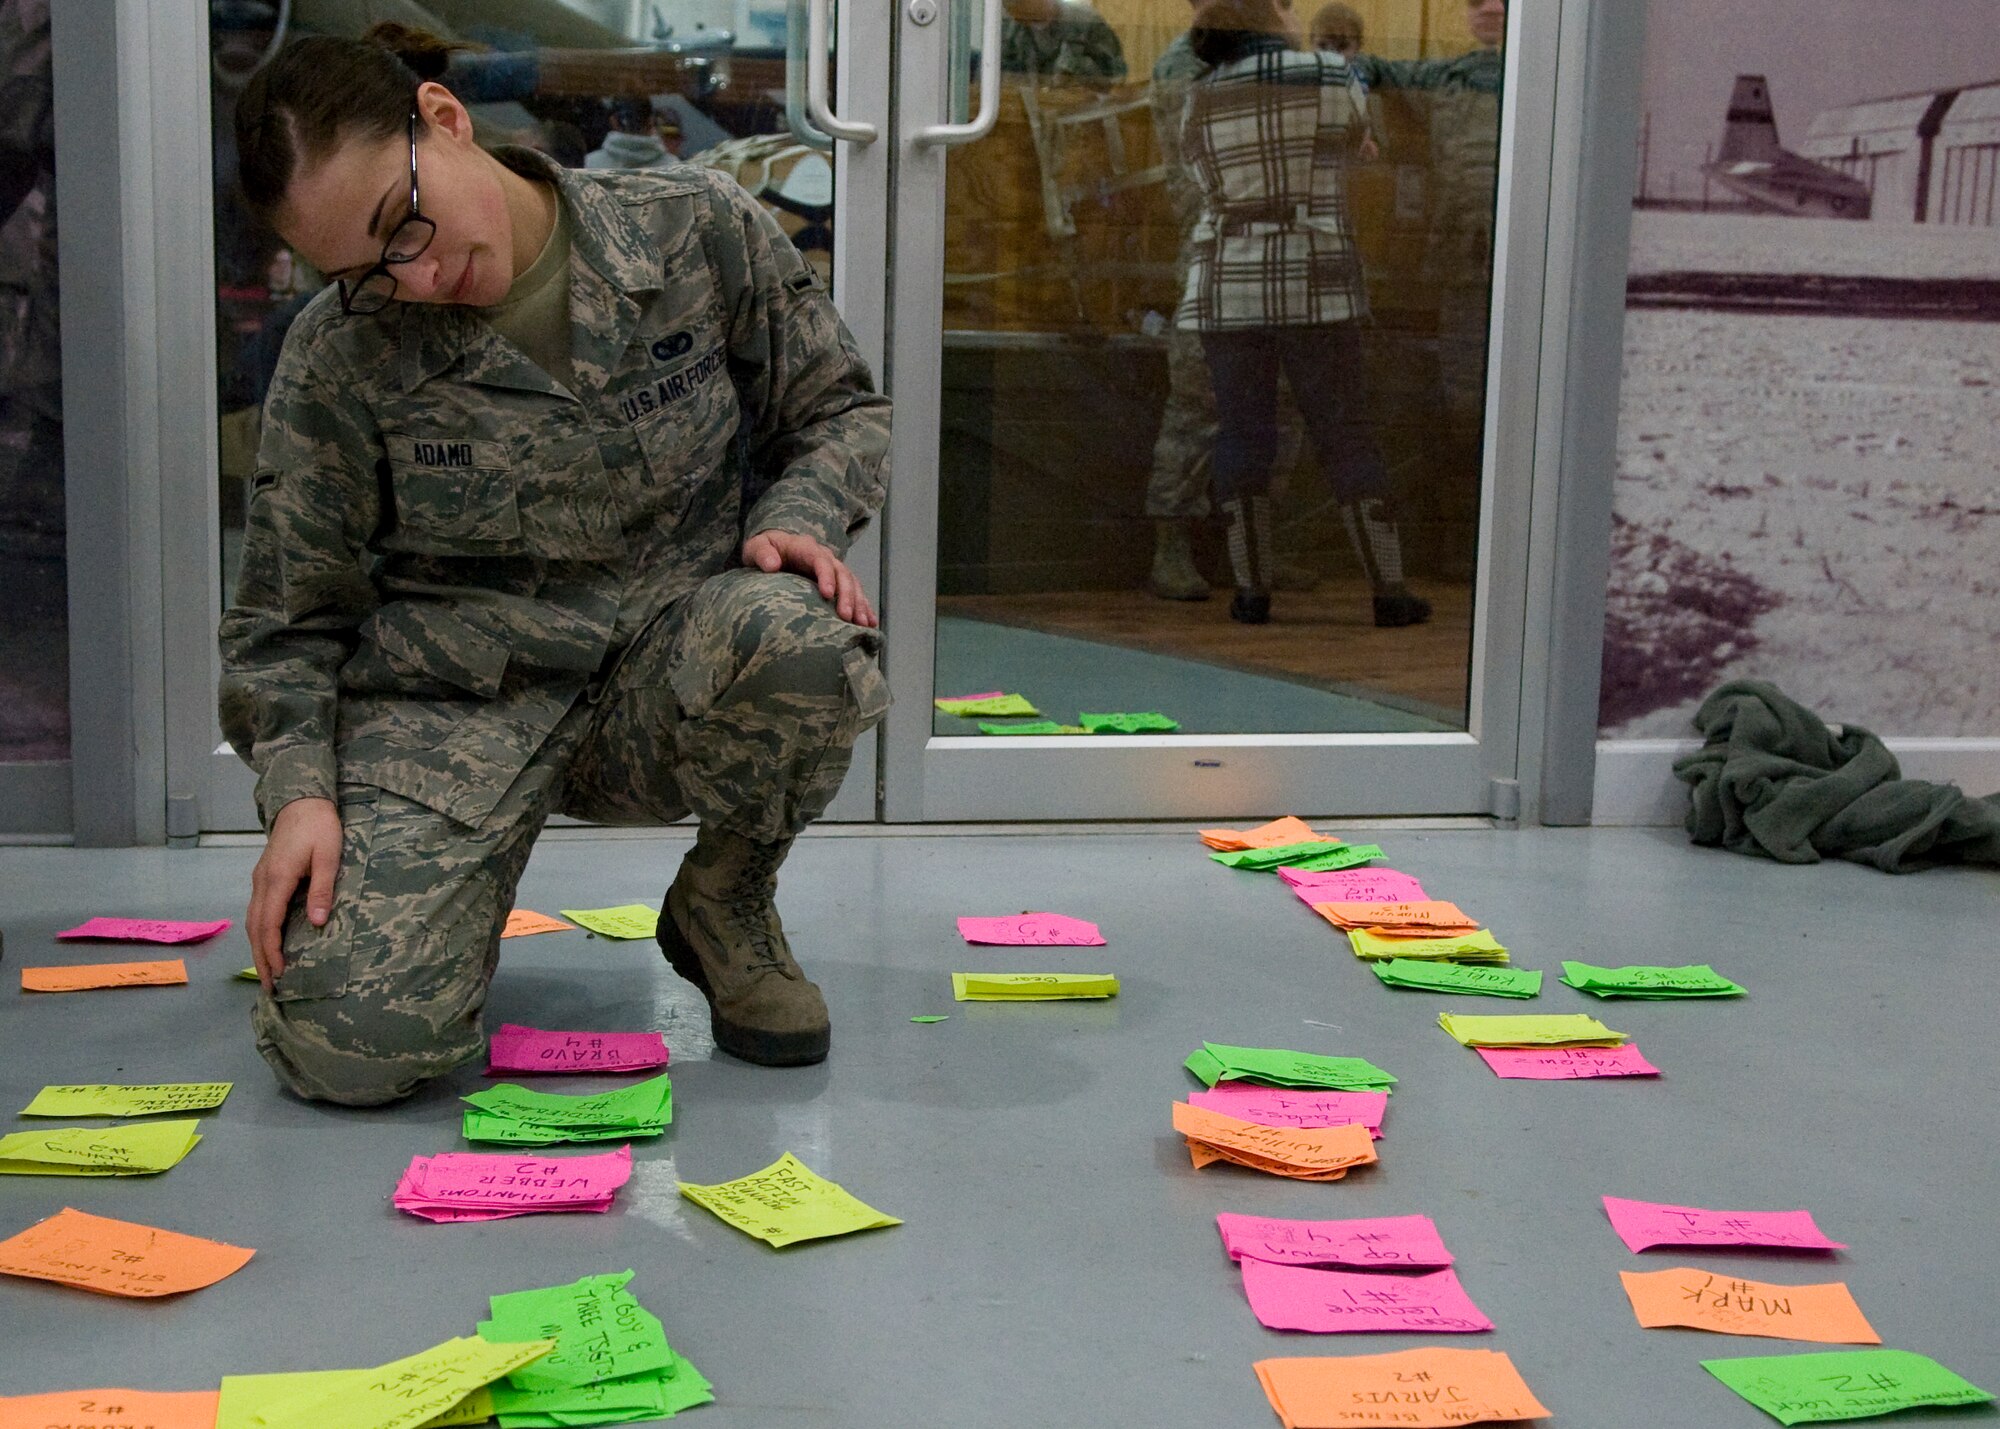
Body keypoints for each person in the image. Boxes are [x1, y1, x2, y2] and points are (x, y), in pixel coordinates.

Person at [218, 24, 891, 1106]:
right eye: (368, 270)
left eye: (406, 222)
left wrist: (801, 513)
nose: (420, 274)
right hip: (452, 713)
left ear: (444, 119)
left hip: (667, 674)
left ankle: (724, 901)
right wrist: (299, 791)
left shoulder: (689, 230)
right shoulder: (339, 350)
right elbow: (285, 620)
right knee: (352, 1047)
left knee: (803, 642)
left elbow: (836, 411)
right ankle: (433, 917)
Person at [1177, 0, 1428, 627]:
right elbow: (1355, 139)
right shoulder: (1328, 72)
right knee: (1344, 428)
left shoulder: (1199, 91)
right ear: (1272, 16)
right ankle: (1389, 592)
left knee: (1242, 432)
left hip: (1227, 281)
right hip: (1315, 276)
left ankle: (1251, 593)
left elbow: (1196, 169)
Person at [1348, 0, 1504, 433]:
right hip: (1465, 250)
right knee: (1464, 384)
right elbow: (1368, 66)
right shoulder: (1442, 77)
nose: (1490, 7)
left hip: (1532, 252)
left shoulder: (1550, 77)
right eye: (1476, 1)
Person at [999, 0, 1128, 83]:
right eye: (1021, 18)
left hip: (1079, 108)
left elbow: (1116, 74)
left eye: (1033, 17)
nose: (1025, 21)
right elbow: (997, 74)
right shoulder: (1009, 27)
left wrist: (1076, 70)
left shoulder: (1086, 22)